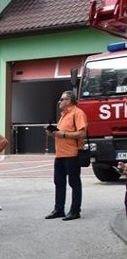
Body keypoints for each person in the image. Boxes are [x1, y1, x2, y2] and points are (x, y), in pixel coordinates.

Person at [45, 90, 87, 221]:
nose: (60, 101)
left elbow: (82, 134)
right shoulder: (63, 115)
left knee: (74, 183)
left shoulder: (78, 113)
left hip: (72, 154)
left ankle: (75, 211)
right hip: (60, 155)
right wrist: (53, 133)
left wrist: (62, 134)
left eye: (62, 99)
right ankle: (59, 209)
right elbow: (61, 133)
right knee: (59, 183)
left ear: (69, 101)